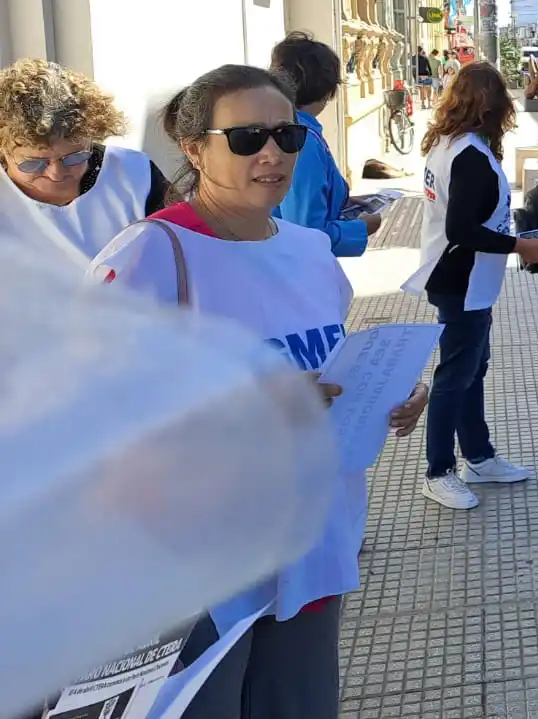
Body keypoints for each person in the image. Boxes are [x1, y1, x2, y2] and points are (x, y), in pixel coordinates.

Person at [86, 63, 429, 718]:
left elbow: (323, 363)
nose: (271, 154)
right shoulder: (147, 256)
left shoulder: (309, 250)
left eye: (286, 136)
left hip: (310, 537)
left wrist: (390, 385)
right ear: (194, 149)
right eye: (247, 138)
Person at [407, 61, 538, 510]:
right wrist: (519, 246)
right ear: (492, 106)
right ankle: (438, 471)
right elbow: (462, 230)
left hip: (460, 278)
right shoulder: (468, 155)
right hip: (461, 280)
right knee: (455, 376)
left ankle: (478, 455)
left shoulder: (449, 143)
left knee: (471, 369)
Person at [0, 58, 170, 267]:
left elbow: (182, 245)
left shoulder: (134, 174)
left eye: (75, 157)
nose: (56, 174)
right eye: (35, 163)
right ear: (3, 151)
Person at [272, 31, 381, 256]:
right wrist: (361, 228)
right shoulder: (302, 141)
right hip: (295, 266)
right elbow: (306, 234)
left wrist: (338, 201)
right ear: (328, 88)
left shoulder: (287, 128)